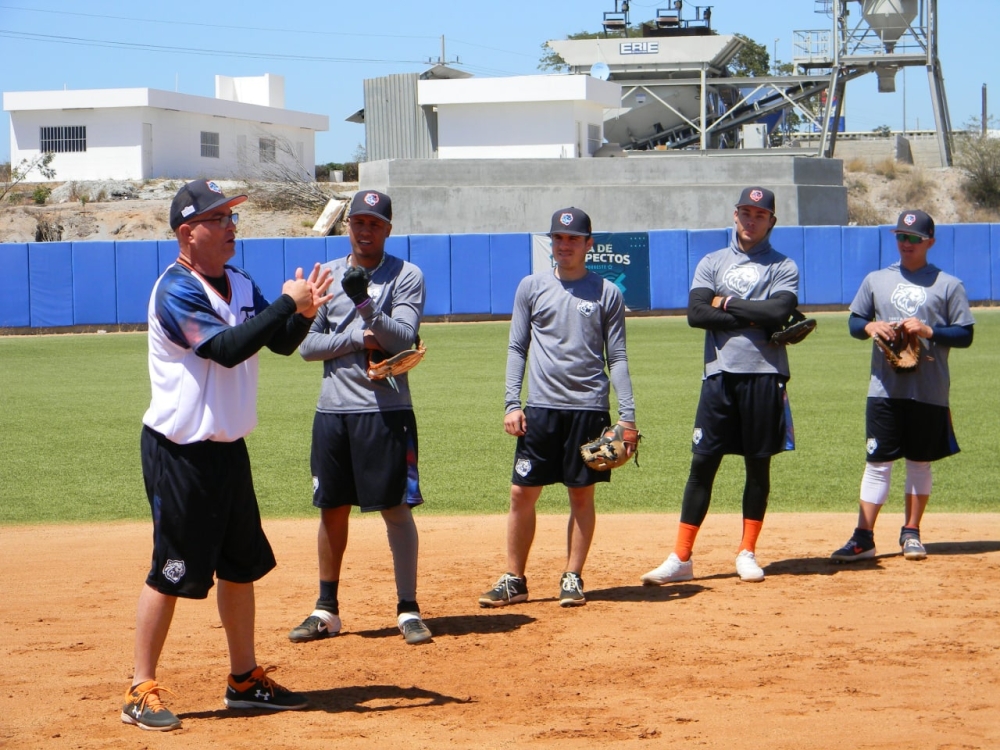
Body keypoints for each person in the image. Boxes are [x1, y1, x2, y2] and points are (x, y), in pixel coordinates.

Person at [122, 180, 333, 731]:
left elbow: (280, 341)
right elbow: (227, 349)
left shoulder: (237, 281)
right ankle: (140, 687)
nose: (230, 227)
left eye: (231, 217)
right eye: (218, 219)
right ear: (187, 232)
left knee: (240, 567)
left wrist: (305, 311)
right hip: (180, 451)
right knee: (171, 570)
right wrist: (288, 301)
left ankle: (243, 680)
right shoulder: (176, 290)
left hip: (226, 447)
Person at [288, 190, 432, 646]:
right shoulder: (325, 276)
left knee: (394, 507)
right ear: (347, 225)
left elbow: (401, 337)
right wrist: (356, 334)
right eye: (358, 222)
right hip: (333, 411)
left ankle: (407, 608)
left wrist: (366, 305)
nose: (365, 230)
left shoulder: (406, 276)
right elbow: (308, 347)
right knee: (332, 509)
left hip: (385, 410)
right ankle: (325, 609)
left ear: (388, 229)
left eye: (374, 223)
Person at [478, 207, 638, 609]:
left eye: (572, 239)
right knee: (521, 493)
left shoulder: (607, 293)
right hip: (541, 409)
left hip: (588, 408)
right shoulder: (531, 287)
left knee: (581, 495)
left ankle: (573, 575)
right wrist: (512, 403)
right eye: (558, 238)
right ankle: (515, 578)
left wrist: (628, 416)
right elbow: (518, 347)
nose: (564, 245)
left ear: (589, 244)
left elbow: (616, 358)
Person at [641, 187, 799, 586]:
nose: (751, 220)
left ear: (771, 221)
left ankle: (746, 552)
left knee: (757, 464)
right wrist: (754, 318)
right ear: (734, 215)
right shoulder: (712, 261)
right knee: (702, 464)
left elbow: (779, 311)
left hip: (765, 375)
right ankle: (681, 557)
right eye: (745, 212)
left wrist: (725, 304)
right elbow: (696, 314)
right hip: (719, 375)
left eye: (759, 215)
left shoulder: (783, 266)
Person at [831, 209, 974, 563]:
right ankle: (863, 537)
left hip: (929, 388)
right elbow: (854, 321)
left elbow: (965, 334)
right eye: (900, 236)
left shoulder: (947, 284)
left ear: (930, 242)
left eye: (913, 238)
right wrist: (868, 328)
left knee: (919, 462)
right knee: (877, 461)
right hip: (884, 388)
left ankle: (911, 532)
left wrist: (929, 331)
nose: (905, 243)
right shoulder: (877, 280)